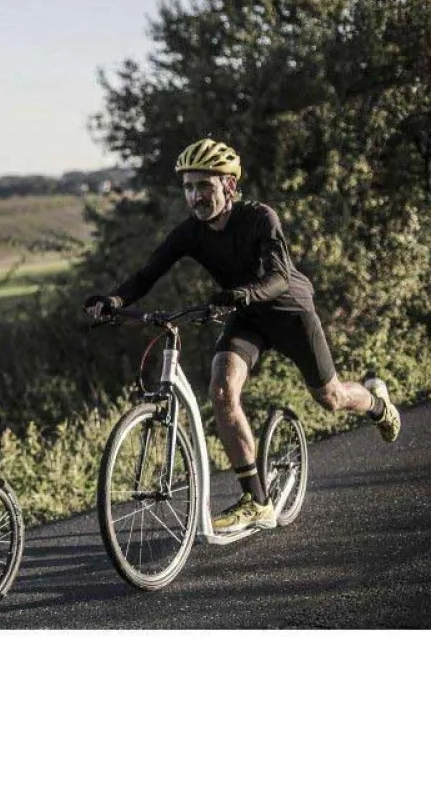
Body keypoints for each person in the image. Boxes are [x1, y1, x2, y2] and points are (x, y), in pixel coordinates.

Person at [85, 138, 401, 534]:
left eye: (204, 185)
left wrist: (242, 293)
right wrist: (114, 300)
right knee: (221, 390)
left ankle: (378, 404)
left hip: (290, 315)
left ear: (229, 185)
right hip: (246, 318)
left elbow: (279, 276)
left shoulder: (260, 218)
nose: (195, 196)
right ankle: (257, 501)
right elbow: (147, 274)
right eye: (188, 187)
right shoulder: (190, 233)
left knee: (332, 398)